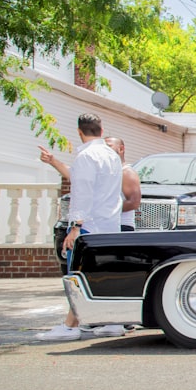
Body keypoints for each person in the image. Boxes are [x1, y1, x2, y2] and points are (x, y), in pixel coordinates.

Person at [36, 114, 122, 341]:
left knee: (78, 274)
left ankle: (70, 326)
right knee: (104, 275)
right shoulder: (111, 156)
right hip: (110, 225)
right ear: (101, 131)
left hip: (90, 227)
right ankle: (114, 322)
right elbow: (81, 180)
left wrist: (75, 227)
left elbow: (82, 192)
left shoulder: (87, 156)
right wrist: (54, 161)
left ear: (79, 132)